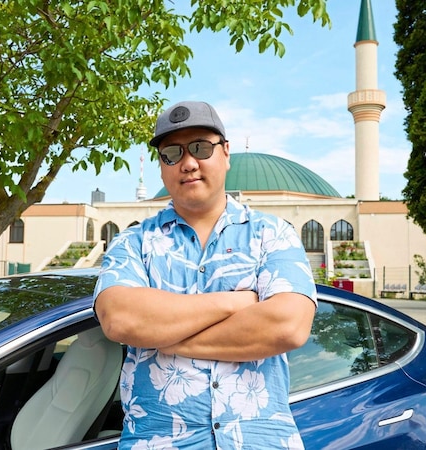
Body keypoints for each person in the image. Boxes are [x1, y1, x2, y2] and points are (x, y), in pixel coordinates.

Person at [93, 100, 317, 449]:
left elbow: (288, 324)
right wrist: (237, 302)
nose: (188, 163)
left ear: (226, 153)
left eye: (200, 147)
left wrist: (163, 336)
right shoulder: (133, 242)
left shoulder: (272, 234)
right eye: (172, 153)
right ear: (162, 166)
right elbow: (121, 319)